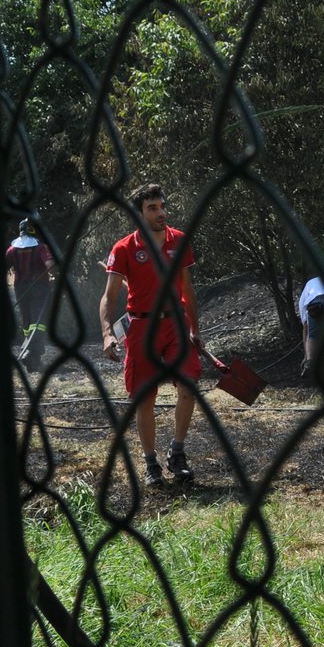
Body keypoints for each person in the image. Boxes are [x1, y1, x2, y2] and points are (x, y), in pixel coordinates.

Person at [99, 183, 205, 488]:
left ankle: (178, 452)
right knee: (144, 397)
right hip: (142, 327)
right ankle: (150, 463)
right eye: (152, 208)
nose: (161, 212)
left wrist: (195, 329)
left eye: (162, 206)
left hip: (176, 323)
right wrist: (107, 334)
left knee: (189, 383)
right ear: (139, 213)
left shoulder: (179, 241)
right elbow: (109, 297)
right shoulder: (123, 248)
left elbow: (187, 290)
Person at [5, 218, 55, 372]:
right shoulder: (40, 248)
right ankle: (32, 352)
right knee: (38, 322)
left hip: (20, 289)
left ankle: (33, 357)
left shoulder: (11, 250)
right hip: (39, 288)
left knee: (27, 322)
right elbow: (50, 265)